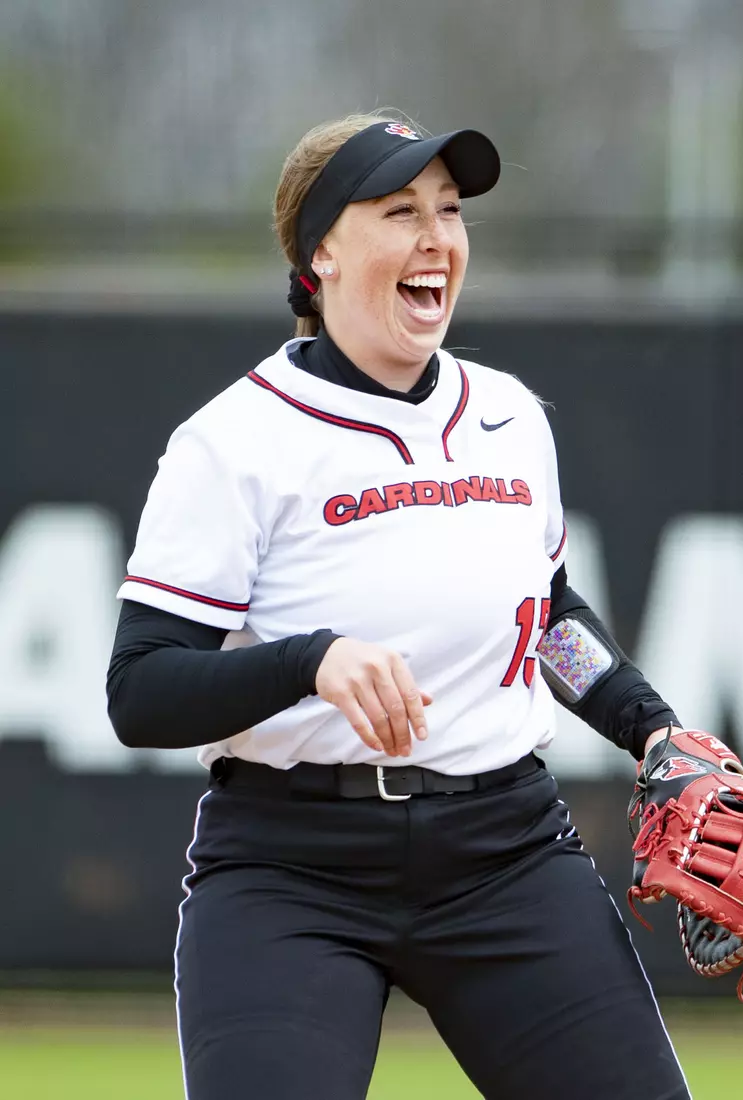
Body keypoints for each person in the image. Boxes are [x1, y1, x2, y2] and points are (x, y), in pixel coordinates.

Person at [106, 111, 692, 1100]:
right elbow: (141, 689)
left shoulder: (506, 417)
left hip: (503, 852)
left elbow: (545, 618)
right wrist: (308, 659)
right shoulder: (235, 441)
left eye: (449, 211)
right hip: (292, 869)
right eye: (398, 211)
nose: (435, 238)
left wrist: (653, 729)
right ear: (319, 250)